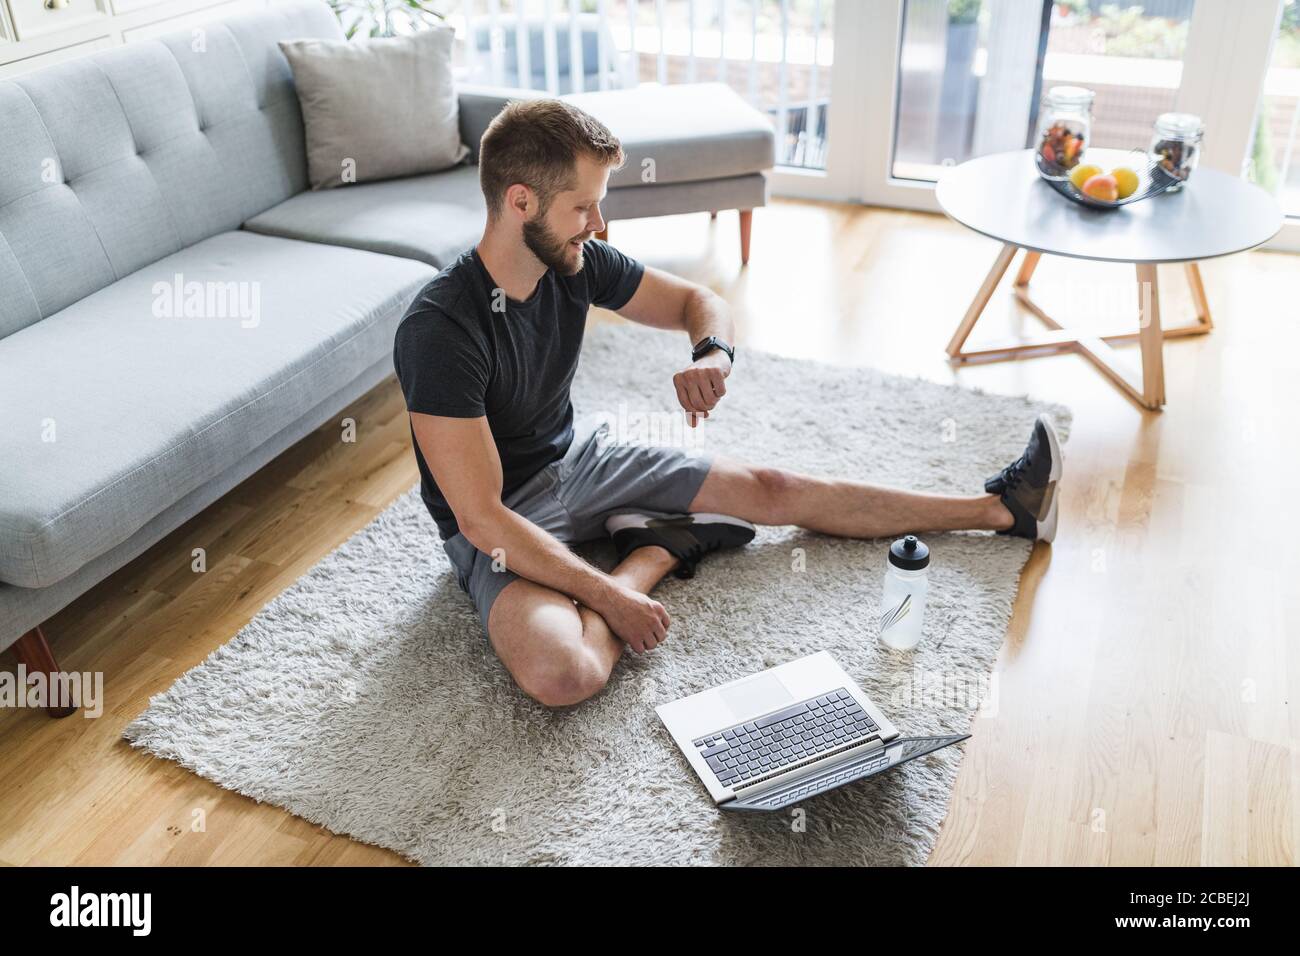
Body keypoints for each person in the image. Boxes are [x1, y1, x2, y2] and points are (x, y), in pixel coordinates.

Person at [393, 99, 1062, 708]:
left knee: (774, 487)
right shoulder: (442, 331)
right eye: (582, 207)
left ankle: (1000, 508)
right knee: (563, 674)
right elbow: (481, 519)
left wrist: (712, 353)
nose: (599, 224)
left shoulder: (578, 261)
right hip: (503, 521)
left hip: (578, 459)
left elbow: (697, 301)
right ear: (520, 202)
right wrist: (614, 596)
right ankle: (652, 552)